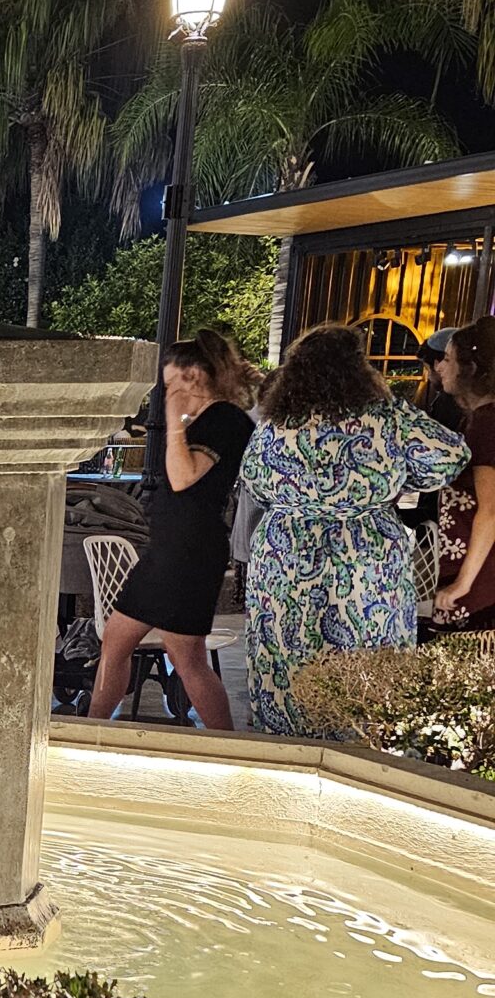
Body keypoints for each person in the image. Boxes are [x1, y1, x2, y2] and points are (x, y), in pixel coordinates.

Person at [240, 324, 466, 735]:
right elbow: (451, 456)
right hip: (365, 554)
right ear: (359, 369)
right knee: (366, 652)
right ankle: (360, 753)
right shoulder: (389, 416)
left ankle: (286, 746)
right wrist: (398, 482)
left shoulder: (277, 424)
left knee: (283, 653)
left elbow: (254, 482)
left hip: (285, 554)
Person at [86, 329, 256, 731]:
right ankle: (92, 729)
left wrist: (174, 423)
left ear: (194, 376)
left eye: (172, 384)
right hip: (170, 550)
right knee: (117, 639)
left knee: (187, 657)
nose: (167, 393)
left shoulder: (225, 420)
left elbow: (183, 478)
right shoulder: (208, 420)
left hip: (190, 554)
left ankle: (225, 743)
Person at [431, 315, 495, 630]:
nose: (439, 367)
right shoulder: (478, 419)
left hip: (480, 583)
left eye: (447, 359)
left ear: (470, 369)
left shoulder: (486, 423)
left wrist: (463, 583)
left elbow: (491, 509)